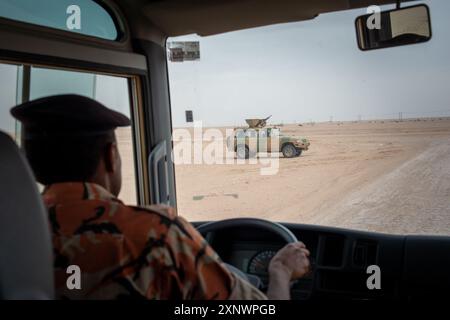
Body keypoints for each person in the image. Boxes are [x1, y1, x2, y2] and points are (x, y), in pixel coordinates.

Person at [10, 94, 310, 300]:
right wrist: (281, 272)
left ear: (30, 161)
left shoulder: (10, 235)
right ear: (111, 157)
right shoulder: (157, 233)